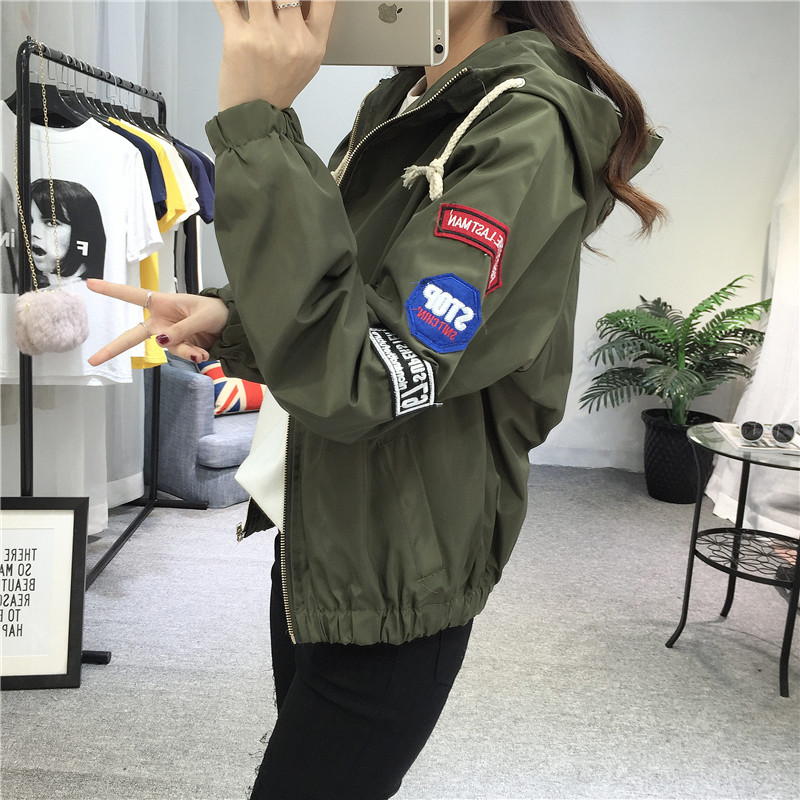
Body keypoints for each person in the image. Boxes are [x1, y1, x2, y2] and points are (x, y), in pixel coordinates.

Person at [88, 1, 665, 797]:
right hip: (321, 524)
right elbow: (350, 294)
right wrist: (235, 316)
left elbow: (366, 377)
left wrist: (256, 125)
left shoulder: (526, 119)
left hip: (399, 556)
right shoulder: (403, 101)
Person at [30, 178, 106, 287]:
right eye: (30, 221)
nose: (33, 232)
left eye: (51, 223)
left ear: (81, 230)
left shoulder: (89, 292)